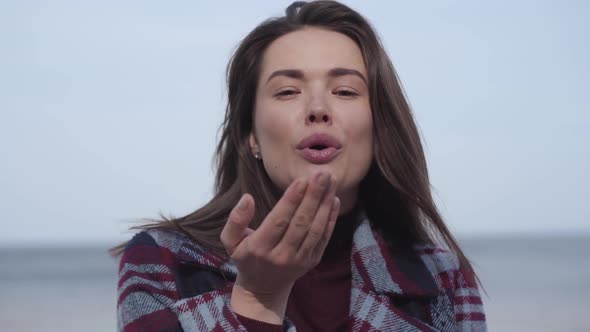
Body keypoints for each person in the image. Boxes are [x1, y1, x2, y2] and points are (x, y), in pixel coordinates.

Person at [112, 1, 487, 331]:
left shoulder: (443, 277)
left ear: (379, 127)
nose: (318, 109)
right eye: (288, 91)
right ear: (251, 135)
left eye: (345, 91)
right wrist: (257, 297)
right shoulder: (162, 261)